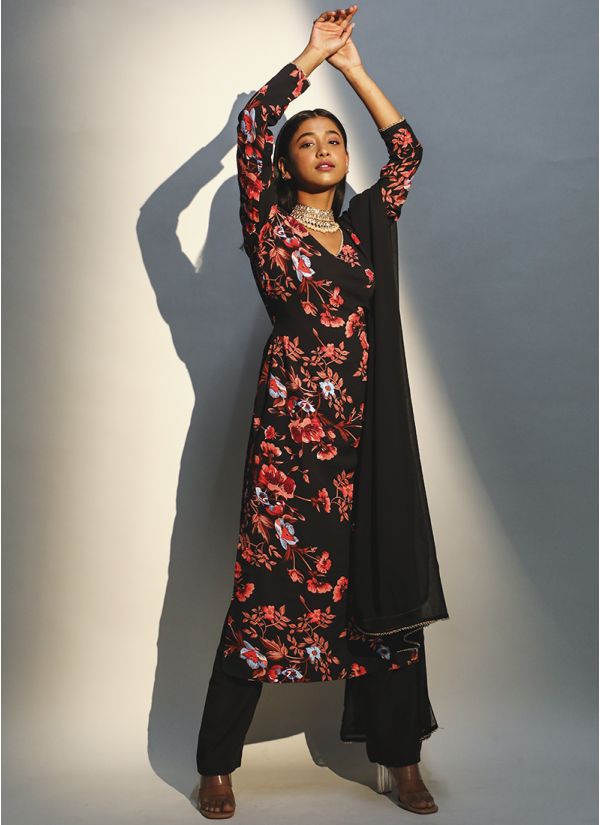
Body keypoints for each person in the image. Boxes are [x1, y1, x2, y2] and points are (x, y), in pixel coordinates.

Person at [196, 5, 448, 818]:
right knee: (265, 595)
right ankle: (216, 762)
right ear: (286, 164)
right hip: (291, 449)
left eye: (333, 139)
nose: (324, 148)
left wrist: (355, 72)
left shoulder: (367, 225)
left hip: (369, 441)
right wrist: (311, 55)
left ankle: (401, 760)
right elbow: (251, 127)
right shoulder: (271, 231)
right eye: (307, 141)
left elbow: (406, 152)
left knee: (385, 587)